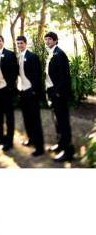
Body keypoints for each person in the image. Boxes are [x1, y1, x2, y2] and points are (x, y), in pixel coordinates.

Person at [44, 31, 74, 162]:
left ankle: (68, 151)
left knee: (63, 123)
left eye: (49, 39)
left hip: (58, 95)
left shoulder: (60, 54)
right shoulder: (51, 53)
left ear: (56, 40)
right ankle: (60, 144)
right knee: (57, 122)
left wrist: (56, 92)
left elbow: (64, 77)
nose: (47, 42)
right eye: (46, 39)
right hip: (51, 93)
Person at [16, 36, 44, 157]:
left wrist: (33, 91)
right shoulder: (18, 58)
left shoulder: (32, 56)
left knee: (35, 120)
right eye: (18, 44)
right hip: (22, 92)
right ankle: (31, 140)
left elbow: (38, 75)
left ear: (26, 43)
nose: (19, 46)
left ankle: (39, 147)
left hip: (31, 92)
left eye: (21, 43)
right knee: (27, 118)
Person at [0, 34, 18, 151]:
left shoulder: (10, 54)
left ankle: (9, 141)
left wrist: (9, 87)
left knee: (9, 116)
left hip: (6, 90)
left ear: (3, 41)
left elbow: (14, 72)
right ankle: (0, 137)